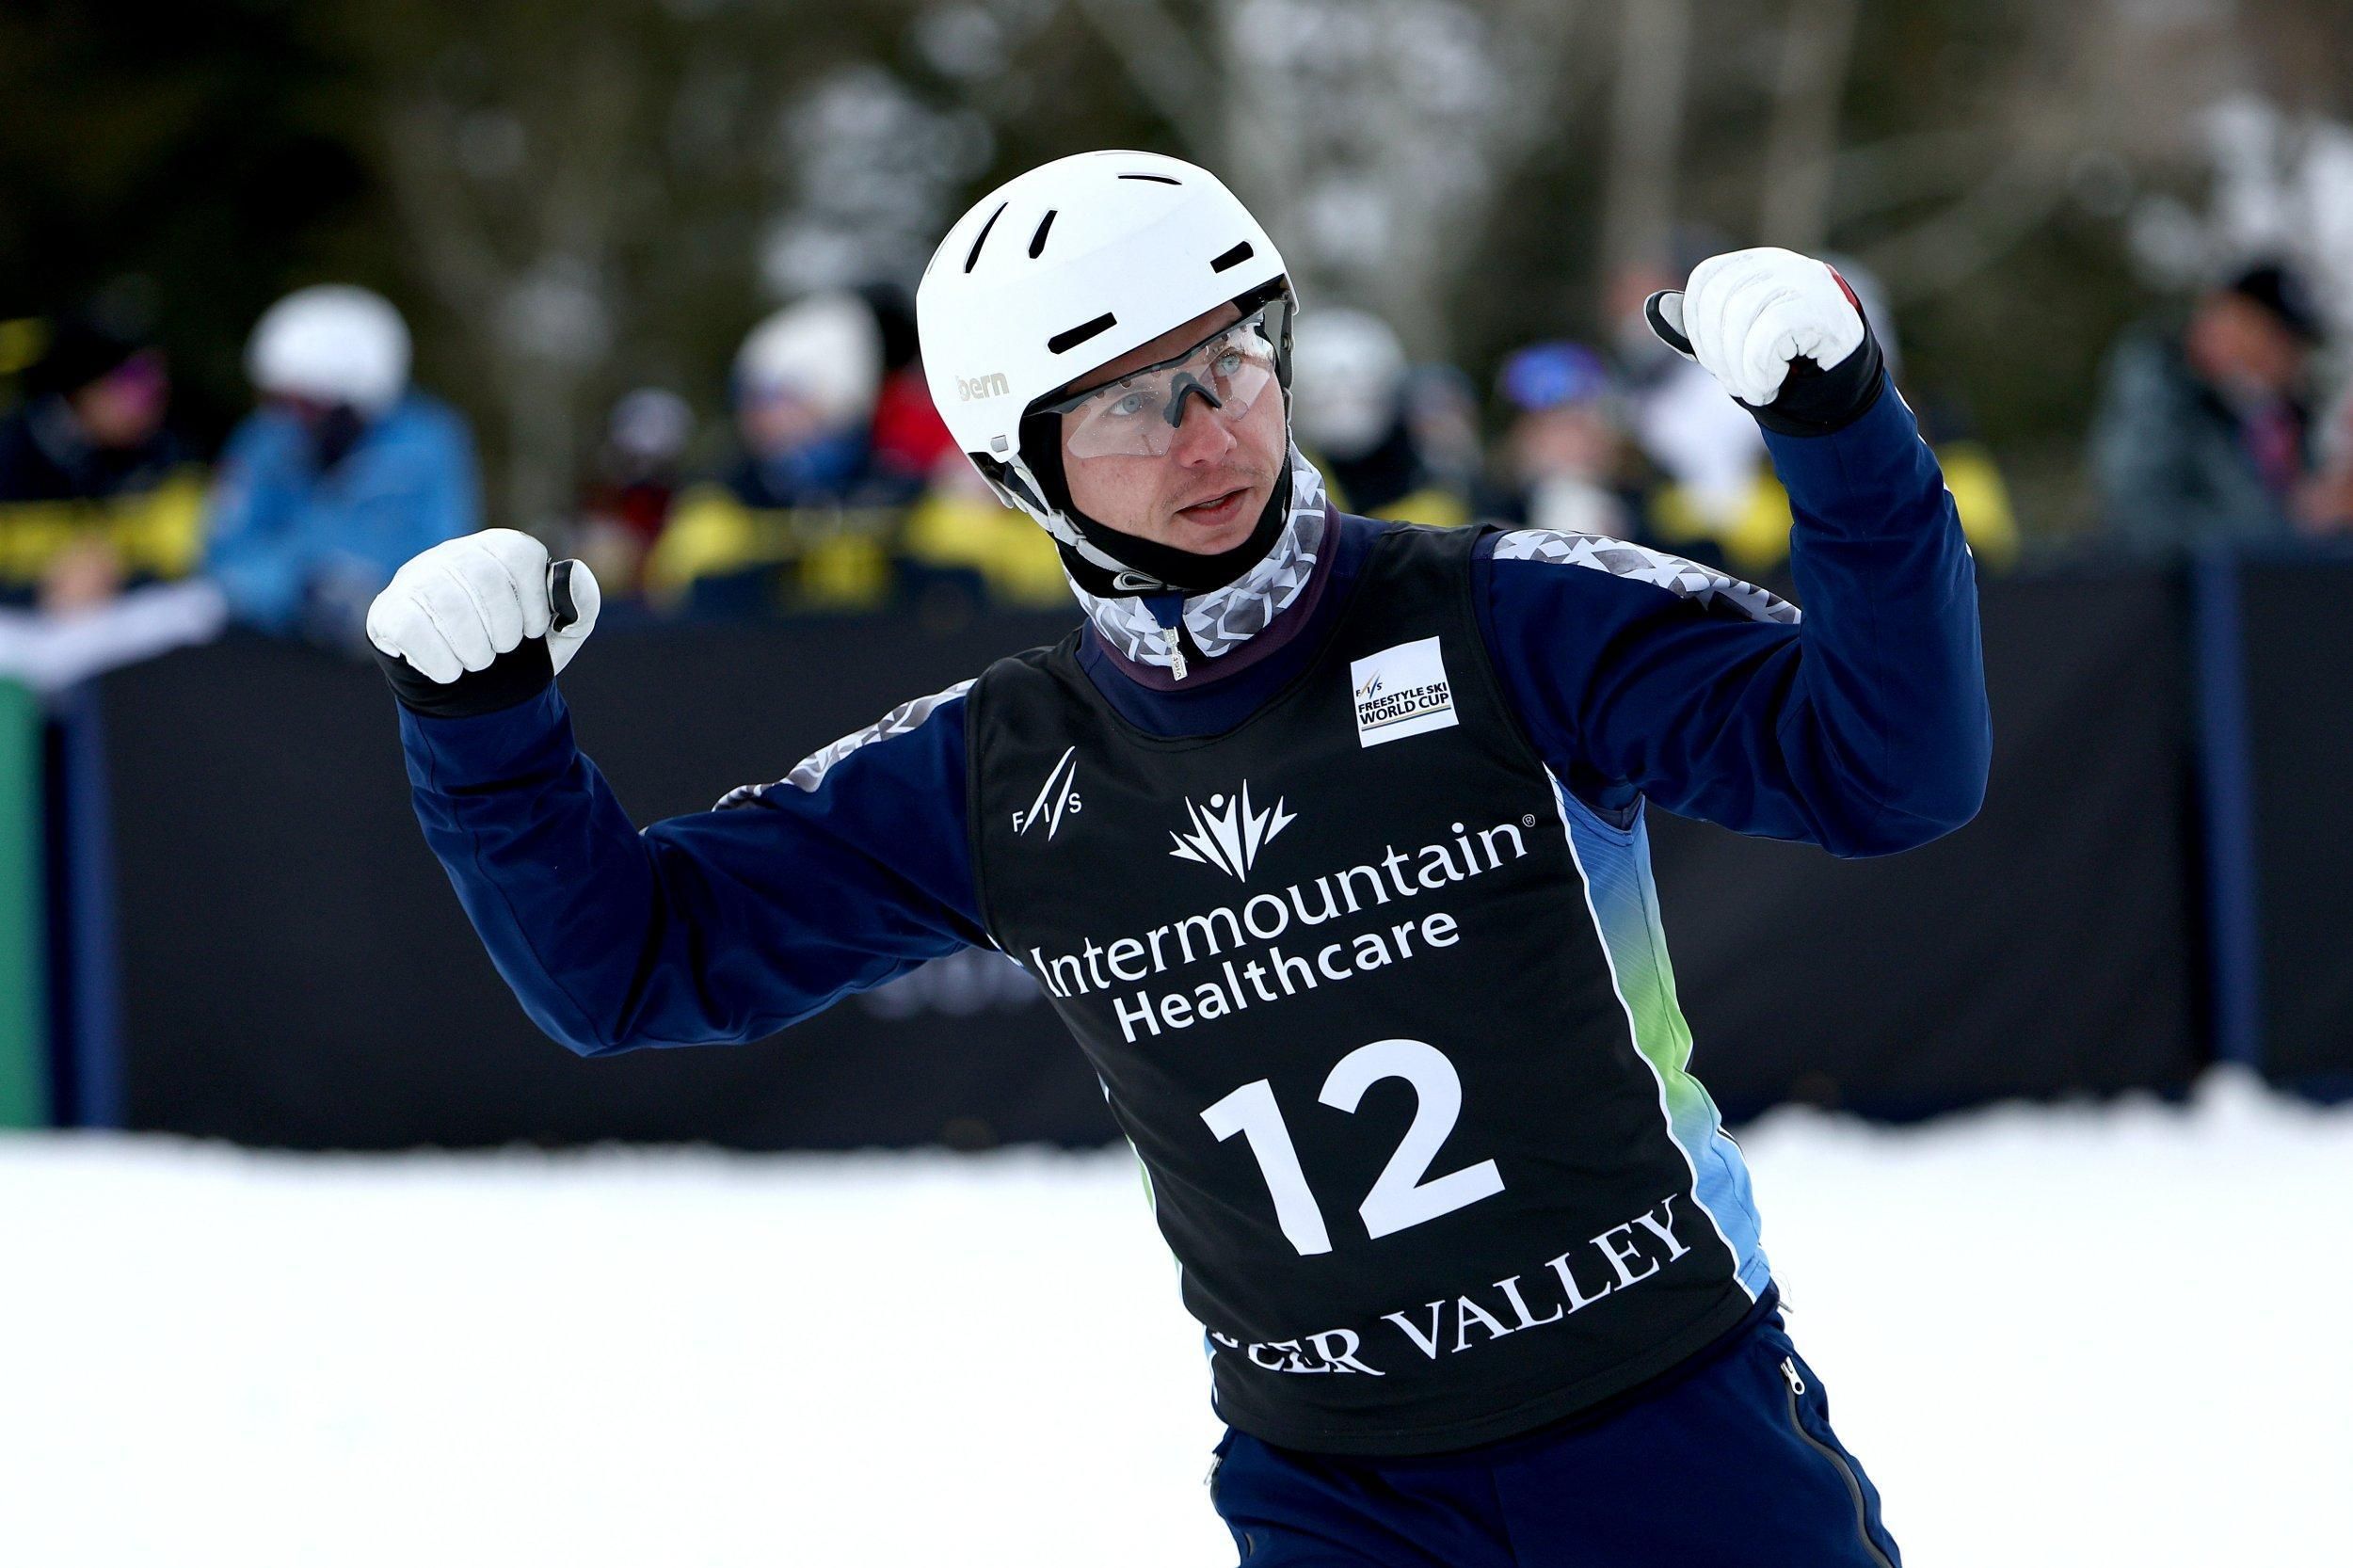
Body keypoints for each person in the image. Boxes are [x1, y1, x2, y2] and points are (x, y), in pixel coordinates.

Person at [366, 152, 1985, 1565]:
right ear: (1020, 468)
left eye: (1230, 364)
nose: (1208, 434)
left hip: (1670, 1422)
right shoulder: (999, 769)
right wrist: (483, 734)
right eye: (1129, 404)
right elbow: (629, 967)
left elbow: (1889, 770)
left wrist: (1844, 433)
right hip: (1338, 1494)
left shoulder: (1514, 617)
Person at [206, 285, 479, 647]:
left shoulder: (428, 443)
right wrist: (298, 588)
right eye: (283, 399)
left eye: (309, 403)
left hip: (394, 657)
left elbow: (448, 557)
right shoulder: (264, 440)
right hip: (271, 651)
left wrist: (377, 597)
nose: (292, 419)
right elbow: (225, 554)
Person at [647, 293, 909, 613]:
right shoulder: (722, 499)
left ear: (837, 403)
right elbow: (674, 581)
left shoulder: (900, 495)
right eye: (750, 397)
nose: (758, 416)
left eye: (779, 396)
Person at [2089, 260, 2325, 553]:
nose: (2287, 358)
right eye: (2272, 336)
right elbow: (2143, 522)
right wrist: (2293, 524)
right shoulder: (2158, 394)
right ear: (2224, 316)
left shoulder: (2277, 415)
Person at [0, 312, 204, 612]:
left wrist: (118, 575)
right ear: (84, 387)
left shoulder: (169, 453)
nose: (154, 395)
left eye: (159, 378)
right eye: (135, 380)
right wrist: (39, 591)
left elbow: (196, 560)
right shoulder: (13, 455)